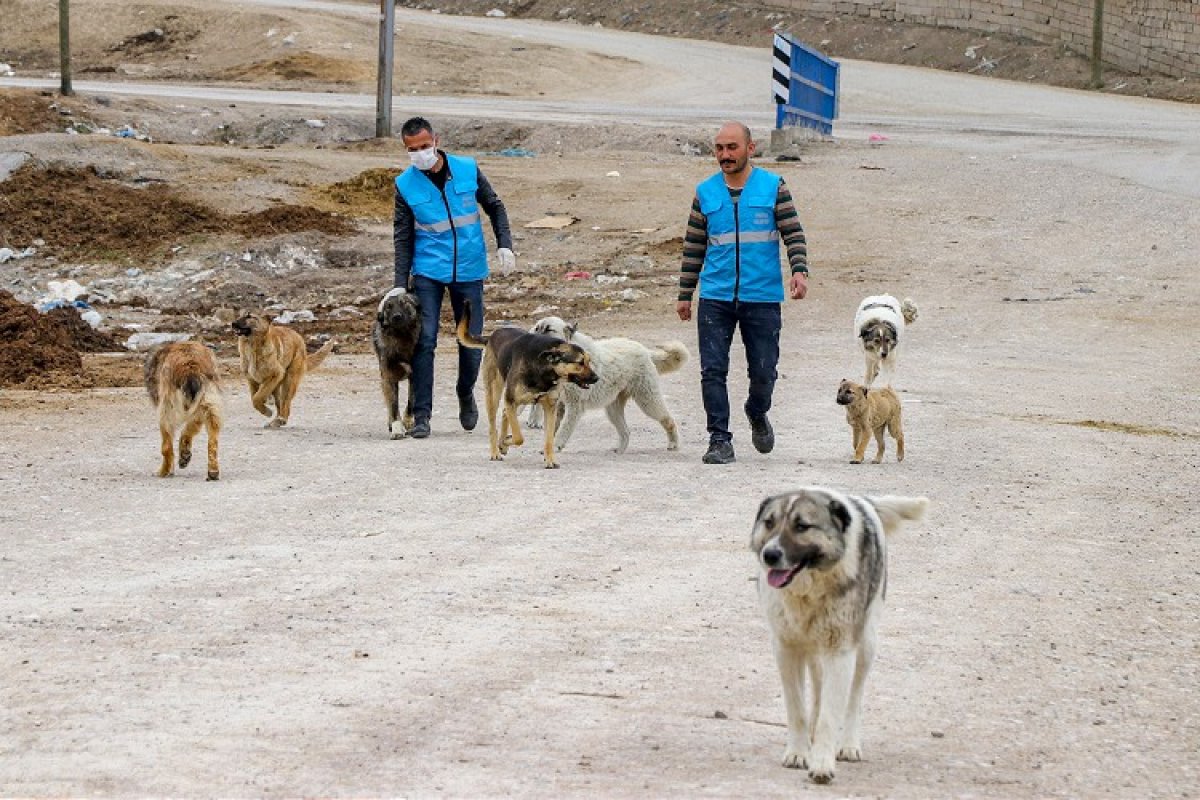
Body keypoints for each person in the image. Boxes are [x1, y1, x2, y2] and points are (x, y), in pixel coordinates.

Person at [676, 121, 809, 464]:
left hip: (761, 296)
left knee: (764, 371)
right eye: (719, 148)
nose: (725, 155)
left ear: (751, 148)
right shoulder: (705, 192)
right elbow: (694, 247)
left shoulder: (773, 186)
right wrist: (684, 293)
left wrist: (799, 271)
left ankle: (756, 409)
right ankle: (719, 439)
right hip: (716, 296)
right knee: (712, 370)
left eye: (732, 147)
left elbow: (793, 233)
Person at [393, 116, 516, 439]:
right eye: (412, 149)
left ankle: (465, 391)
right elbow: (402, 237)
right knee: (426, 340)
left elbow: (495, 206)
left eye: (423, 146)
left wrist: (505, 245)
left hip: (469, 269)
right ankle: (422, 415)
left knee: (471, 339)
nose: (420, 154)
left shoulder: (467, 168)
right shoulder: (405, 184)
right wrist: (397, 283)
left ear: (436, 140)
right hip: (428, 272)